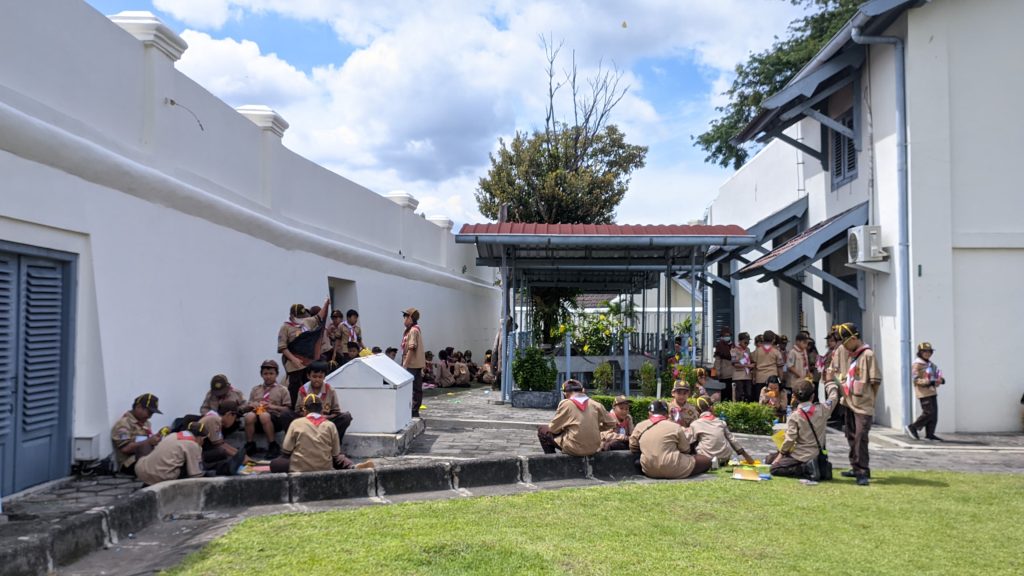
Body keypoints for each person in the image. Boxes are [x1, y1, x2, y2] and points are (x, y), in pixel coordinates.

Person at [270, 394, 372, 473]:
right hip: (325, 467)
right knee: (338, 458)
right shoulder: (330, 425)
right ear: (322, 410)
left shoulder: (296, 423)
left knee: (276, 464)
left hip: (299, 467)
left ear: (304, 410)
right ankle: (352, 466)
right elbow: (335, 453)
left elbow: (286, 451)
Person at [765, 378, 840, 478]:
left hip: (801, 455)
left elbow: (790, 439)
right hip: (817, 452)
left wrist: (780, 455)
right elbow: (833, 397)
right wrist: (830, 381)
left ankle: (807, 468)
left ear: (794, 397)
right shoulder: (823, 409)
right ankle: (814, 466)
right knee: (769, 459)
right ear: (813, 396)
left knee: (775, 468)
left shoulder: (795, 416)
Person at [835, 322, 880, 486]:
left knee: (861, 437)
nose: (844, 346)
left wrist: (871, 401)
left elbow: (875, 382)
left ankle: (862, 470)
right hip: (848, 401)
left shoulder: (867, 355)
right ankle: (856, 467)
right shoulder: (849, 354)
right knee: (852, 436)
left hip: (863, 404)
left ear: (854, 338)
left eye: (845, 342)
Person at [629, 400, 712, 479]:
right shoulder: (675, 427)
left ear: (649, 413)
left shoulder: (640, 425)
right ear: (667, 414)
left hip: (649, 470)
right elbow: (686, 449)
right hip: (674, 468)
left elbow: (632, 446)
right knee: (706, 461)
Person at [537, 379, 616, 456]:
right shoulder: (596, 404)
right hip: (594, 448)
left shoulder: (566, 404)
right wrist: (596, 428)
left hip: (574, 449)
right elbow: (612, 423)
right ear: (583, 390)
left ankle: (552, 461)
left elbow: (553, 428)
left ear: (565, 393)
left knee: (542, 430)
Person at [278, 299, 330, 405]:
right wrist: (294, 359)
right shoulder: (285, 328)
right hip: (294, 363)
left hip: (307, 361)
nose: (301, 319)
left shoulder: (306, 322)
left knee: (309, 386)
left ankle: (309, 405)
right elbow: (282, 347)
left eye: (303, 316)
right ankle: (293, 407)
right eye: (299, 316)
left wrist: (326, 304)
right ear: (292, 315)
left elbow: (318, 317)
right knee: (295, 387)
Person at [241, 359, 294, 458]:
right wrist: (252, 405)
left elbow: (287, 409)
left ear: (276, 374)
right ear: (261, 375)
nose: (268, 376)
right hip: (257, 417)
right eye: (265, 373)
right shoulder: (256, 389)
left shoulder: (282, 390)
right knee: (249, 416)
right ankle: (250, 444)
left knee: (264, 416)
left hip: (275, 419)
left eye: (271, 373)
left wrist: (272, 406)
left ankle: (272, 444)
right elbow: (247, 406)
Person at [294, 360, 353, 446]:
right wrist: (309, 417)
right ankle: (295, 444)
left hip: (325, 421)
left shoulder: (330, 390)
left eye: (320, 377)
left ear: (324, 377)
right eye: (314, 376)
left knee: (346, 417)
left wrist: (325, 417)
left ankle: (335, 445)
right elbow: (297, 411)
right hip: (306, 420)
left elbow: (336, 412)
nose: (317, 379)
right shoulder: (303, 390)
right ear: (308, 376)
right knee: (286, 415)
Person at [134, 422, 206, 486]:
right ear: (200, 438)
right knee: (188, 466)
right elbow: (196, 476)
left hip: (142, 470)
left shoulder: (173, 435)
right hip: (161, 478)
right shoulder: (193, 444)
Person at [689, 396, 753, 465]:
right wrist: (748, 458)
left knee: (694, 442)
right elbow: (732, 440)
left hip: (707, 459)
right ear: (711, 408)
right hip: (724, 458)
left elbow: (688, 441)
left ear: (697, 411)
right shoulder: (721, 422)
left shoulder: (695, 424)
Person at [110, 393, 163, 475]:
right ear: (138, 407)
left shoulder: (146, 423)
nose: (149, 416)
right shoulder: (124, 424)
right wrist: (148, 442)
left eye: (152, 414)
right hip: (130, 463)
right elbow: (125, 448)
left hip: (146, 458)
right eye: (149, 413)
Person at [906, 342, 945, 441]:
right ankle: (913, 427)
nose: (927, 353)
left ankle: (930, 434)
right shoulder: (917, 364)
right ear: (920, 353)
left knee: (934, 414)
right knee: (928, 412)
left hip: (932, 391)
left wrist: (941, 379)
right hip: (923, 392)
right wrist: (928, 382)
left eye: (929, 351)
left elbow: (937, 375)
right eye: (925, 351)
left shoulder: (930, 364)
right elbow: (915, 379)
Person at [196, 400, 246, 476]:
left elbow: (222, 443)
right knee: (221, 452)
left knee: (223, 452)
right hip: (197, 455)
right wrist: (240, 457)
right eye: (235, 417)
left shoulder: (216, 419)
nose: (235, 420)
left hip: (201, 453)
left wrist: (240, 455)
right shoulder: (213, 419)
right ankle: (223, 469)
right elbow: (219, 445)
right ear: (229, 414)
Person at [401, 308, 425, 418]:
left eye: (405, 317)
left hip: (412, 364)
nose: (404, 319)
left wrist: (405, 365)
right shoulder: (413, 329)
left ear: (410, 318)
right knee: (416, 389)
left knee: (412, 389)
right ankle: (414, 411)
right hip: (415, 364)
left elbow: (411, 348)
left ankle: (413, 411)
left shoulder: (413, 331)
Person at [751, 330, 784, 400]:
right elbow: (780, 368)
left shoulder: (757, 351)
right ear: (773, 339)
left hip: (760, 378)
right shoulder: (776, 352)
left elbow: (754, 366)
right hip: (773, 380)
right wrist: (780, 379)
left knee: (761, 399)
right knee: (772, 400)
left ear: (763, 339)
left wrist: (754, 377)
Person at [712, 328, 734, 400]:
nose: (727, 337)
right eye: (725, 335)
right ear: (722, 336)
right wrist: (717, 373)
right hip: (723, 374)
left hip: (732, 373)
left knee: (730, 392)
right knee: (724, 392)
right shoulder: (719, 346)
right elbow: (717, 361)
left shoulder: (733, 345)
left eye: (728, 335)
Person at [732, 332, 753, 402]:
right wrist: (747, 365)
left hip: (747, 376)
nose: (747, 343)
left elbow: (750, 361)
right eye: (745, 341)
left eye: (748, 341)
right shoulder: (734, 350)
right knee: (739, 395)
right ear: (740, 341)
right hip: (739, 376)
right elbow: (734, 364)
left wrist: (752, 365)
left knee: (749, 394)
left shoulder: (748, 350)